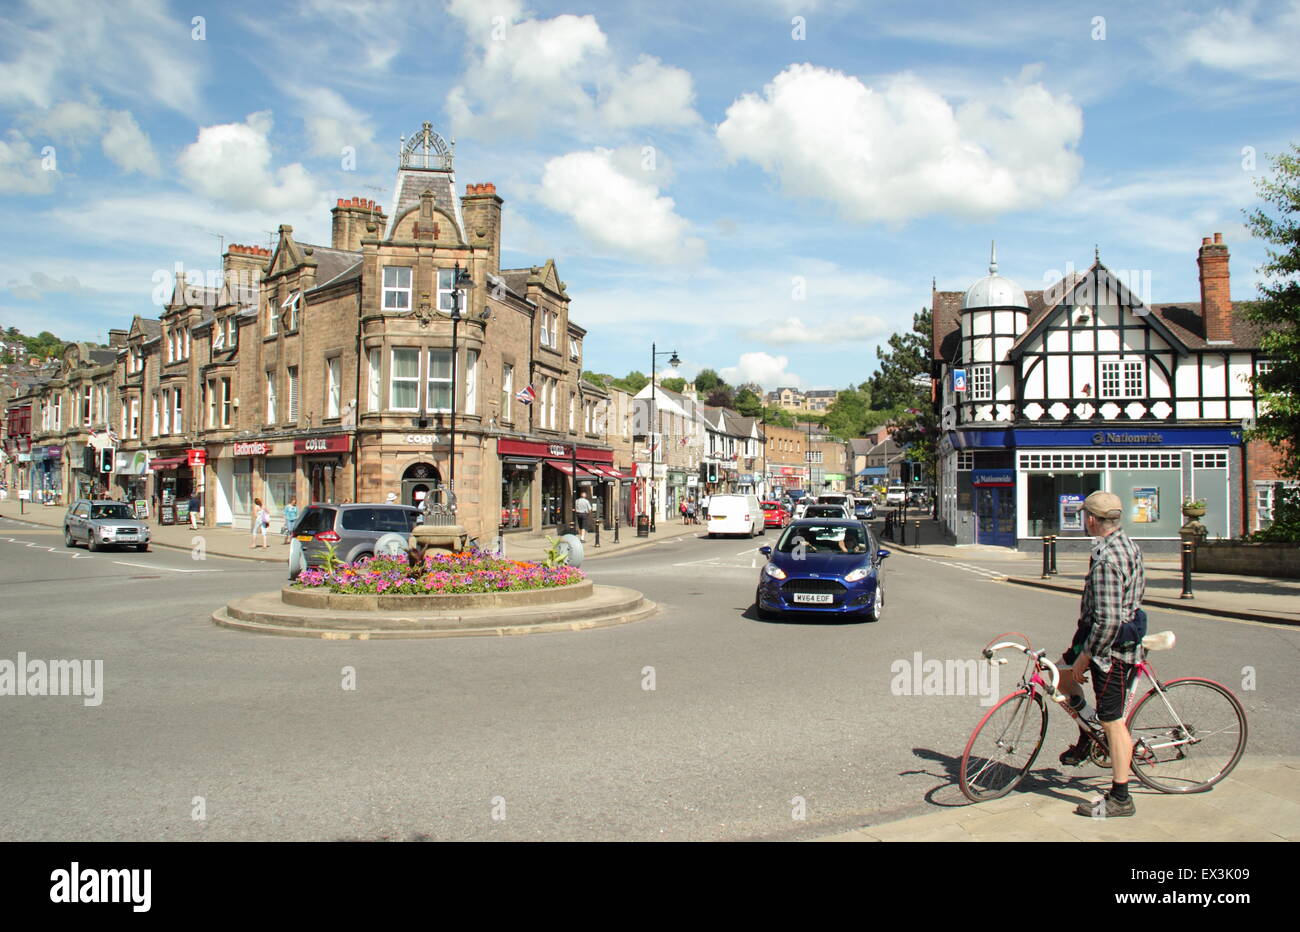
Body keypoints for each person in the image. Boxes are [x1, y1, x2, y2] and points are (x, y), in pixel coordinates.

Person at [1056, 490, 1147, 818]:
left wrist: (1084, 658)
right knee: (1059, 679)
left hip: (1112, 651)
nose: (1084, 521)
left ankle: (1120, 797)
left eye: (1085, 517)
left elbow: (1108, 621)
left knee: (1113, 721)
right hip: (1096, 637)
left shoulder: (1108, 560)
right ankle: (1087, 734)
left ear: (1092, 520)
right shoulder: (1126, 544)